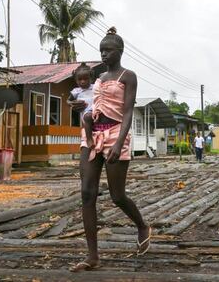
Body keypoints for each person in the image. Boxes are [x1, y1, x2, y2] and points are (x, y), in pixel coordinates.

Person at [69, 27, 151, 272]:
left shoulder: (128, 76)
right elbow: (94, 104)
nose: (103, 55)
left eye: (108, 50)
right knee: (86, 192)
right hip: (92, 134)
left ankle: (142, 226)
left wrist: (119, 142)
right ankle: (92, 256)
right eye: (101, 50)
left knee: (117, 195)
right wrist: (80, 106)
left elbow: (127, 112)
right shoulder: (98, 78)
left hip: (116, 133)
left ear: (120, 51)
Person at [67, 63, 95, 149]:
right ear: (76, 80)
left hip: (97, 110)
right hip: (86, 113)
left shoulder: (95, 87)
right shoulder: (76, 91)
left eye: (85, 79)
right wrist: (71, 103)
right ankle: (89, 139)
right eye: (80, 79)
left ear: (91, 79)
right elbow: (68, 100)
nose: (82, 81)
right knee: (87, 118)